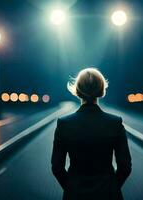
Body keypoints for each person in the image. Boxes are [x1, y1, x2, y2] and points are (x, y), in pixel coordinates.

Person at [51, 67, 132, 200]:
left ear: (77, 91)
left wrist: (72, 188)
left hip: (75, 194)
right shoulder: (115, 123)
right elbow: (125, 166)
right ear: (101, 90)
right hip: (108, 194)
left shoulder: (64, 123)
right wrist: (111, 188)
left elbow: (57, 167)